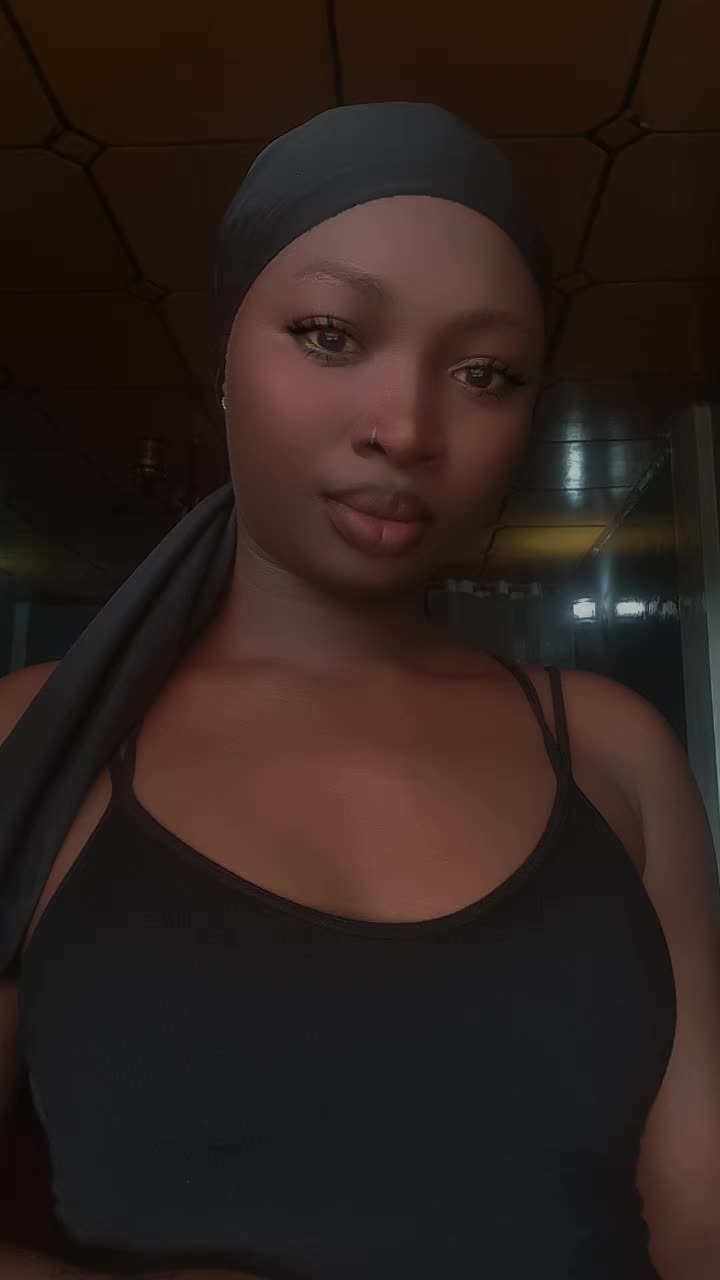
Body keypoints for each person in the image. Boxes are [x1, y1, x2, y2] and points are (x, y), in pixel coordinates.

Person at [0, 102, 718, 1280]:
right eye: (331, 334)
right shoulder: (37, 735)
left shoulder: (613, 753)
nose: (408, 426)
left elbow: (700, 1224)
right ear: (225, 355)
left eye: (485, 372)